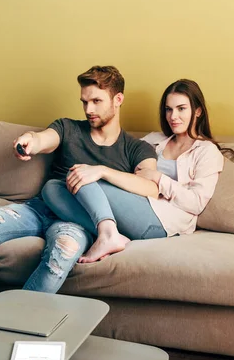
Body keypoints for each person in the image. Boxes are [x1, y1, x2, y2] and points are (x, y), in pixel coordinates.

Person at [0, 65, 158, 315]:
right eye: (84, 102)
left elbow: (150, 188)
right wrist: (31, 141)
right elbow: (44, 139)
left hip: (77, 222)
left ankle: (11, 322)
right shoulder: (68, 128)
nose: (89, 110)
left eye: (97, 101)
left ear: (118, 99)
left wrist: (101, 170)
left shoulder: (137, 149)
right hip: (40, 208)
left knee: (63, 250)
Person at [41, 79, 224, 263]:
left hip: (163, 221)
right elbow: (124, 164)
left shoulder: (207, 151)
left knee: (86, 177)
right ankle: (109, 235)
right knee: (52, 189)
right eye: (169, 109)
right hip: (130, 206)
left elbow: (197, 203)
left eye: (181, 108)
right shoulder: (154, 141)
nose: (173, 116)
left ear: (198, 111)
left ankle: (107, 235)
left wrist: (159, 179)